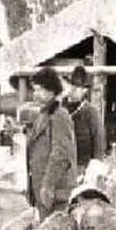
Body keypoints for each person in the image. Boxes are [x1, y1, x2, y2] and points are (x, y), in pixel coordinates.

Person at [26, 67, 77, 221]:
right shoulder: (45, 113)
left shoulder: (60, 115)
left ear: (51, 90)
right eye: (34, 90)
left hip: (54, 189)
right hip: (42, 187)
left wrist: (47, 185)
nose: (35, 94)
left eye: (40, 90)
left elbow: (61, 154)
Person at [62, 66, 105, 175]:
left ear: (84, 91)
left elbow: (98, 141)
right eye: (71, 86)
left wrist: (95, 167)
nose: (72, 91)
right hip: (62, 165)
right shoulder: (60, 108)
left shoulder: (91, 112)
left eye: (76, 89)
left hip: (83, 166)